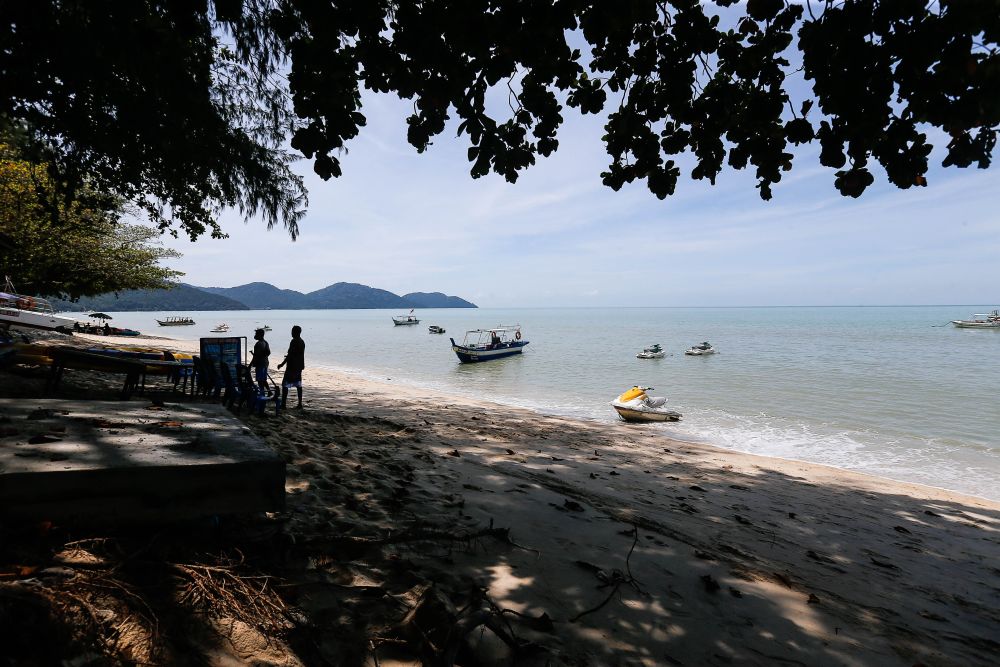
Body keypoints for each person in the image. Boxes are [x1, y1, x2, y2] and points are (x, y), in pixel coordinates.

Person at [276, 325, 305, 409]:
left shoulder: (294, 341)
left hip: (292, 366)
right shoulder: (302, 341)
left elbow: (290, 355)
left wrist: (281, 364)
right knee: (298, 385)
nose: (291, 333)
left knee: (285, 385)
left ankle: (283, 404)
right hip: (299, 366)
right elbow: (298, 354)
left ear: (295, 332)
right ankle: (300, 403)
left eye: (292, 331)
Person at [249, 328, 271, 395]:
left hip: (260, 365)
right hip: (265, 363)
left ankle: (262, 393)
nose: (255, 335)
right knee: (264, 379)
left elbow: (255, 356)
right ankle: (269, 391)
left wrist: (250, 366)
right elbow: (267, 353)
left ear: (260, 335)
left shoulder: (258, 344)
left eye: (256, 334)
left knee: (260, 380)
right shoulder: (265, 342)